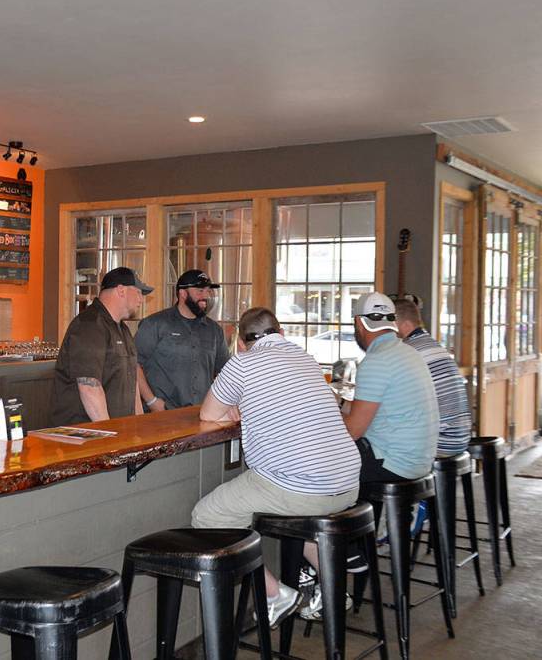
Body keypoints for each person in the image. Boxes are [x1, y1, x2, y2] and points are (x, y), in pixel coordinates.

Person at [194, 307, 361, 627]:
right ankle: (333, 590)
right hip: (347, 483)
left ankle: (274, 595)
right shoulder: (307, 359)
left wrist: (236, 407)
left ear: (241, 343)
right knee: (300, 511)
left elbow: (208, 414)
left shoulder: (242, 363)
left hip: (300, 485)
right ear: (280, 333)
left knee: (208, 516)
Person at [342, 292, 439, 483]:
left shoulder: (376, 361)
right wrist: (338, 403)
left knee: (321, 457)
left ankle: (331, 510)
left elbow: (353, 431)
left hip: (393, 464)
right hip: (420, 461)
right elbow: (373, 410)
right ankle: (369, 512)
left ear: (359, 323)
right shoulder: (409, 352)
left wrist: (321, 413)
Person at [50, 267, 153, 426]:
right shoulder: (89, 325)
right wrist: (109, 436)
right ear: (121, 290)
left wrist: (137, 428)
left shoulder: (123, 329)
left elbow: (133, 385)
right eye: (139, 292)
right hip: (85, 435)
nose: (141, 299)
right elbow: (89, 388)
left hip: (118, 433)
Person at [135, 269, 229, 411]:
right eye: (200, 291)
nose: (206, 296)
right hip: (163, 415)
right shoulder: (155, 324)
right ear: (183, 293)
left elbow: (225, 373)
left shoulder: (214, 330)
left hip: (201, 414)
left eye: (208, 291)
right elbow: (133, 364)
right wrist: (151, 401)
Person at [393, 298, 472, 456]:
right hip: (460, 437)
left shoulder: (409, 351)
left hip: (440, 442)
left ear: (406, 325)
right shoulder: (434, 346)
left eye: (391, 324)